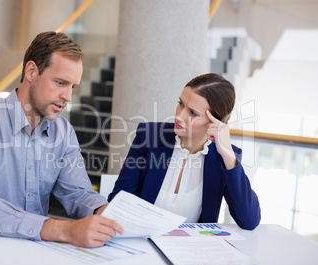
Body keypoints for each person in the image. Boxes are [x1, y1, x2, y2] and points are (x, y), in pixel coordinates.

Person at [0, 31, 123, 248]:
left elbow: (76, 192)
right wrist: (65, 230)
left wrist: (103, 212)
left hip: (32, 250)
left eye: (73, 87)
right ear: (31, 71)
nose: (68, 97)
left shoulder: (63, 132)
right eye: (60, 82)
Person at [108, 73, 261, 230]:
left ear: (215, 122)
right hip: (143, 239)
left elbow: (249, 221)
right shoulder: (149, 136)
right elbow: (119, 201)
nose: (179, 116)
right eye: (181, 104)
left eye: (193, 113)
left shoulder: (224, 157)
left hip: (190, 249)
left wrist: (228, 156)